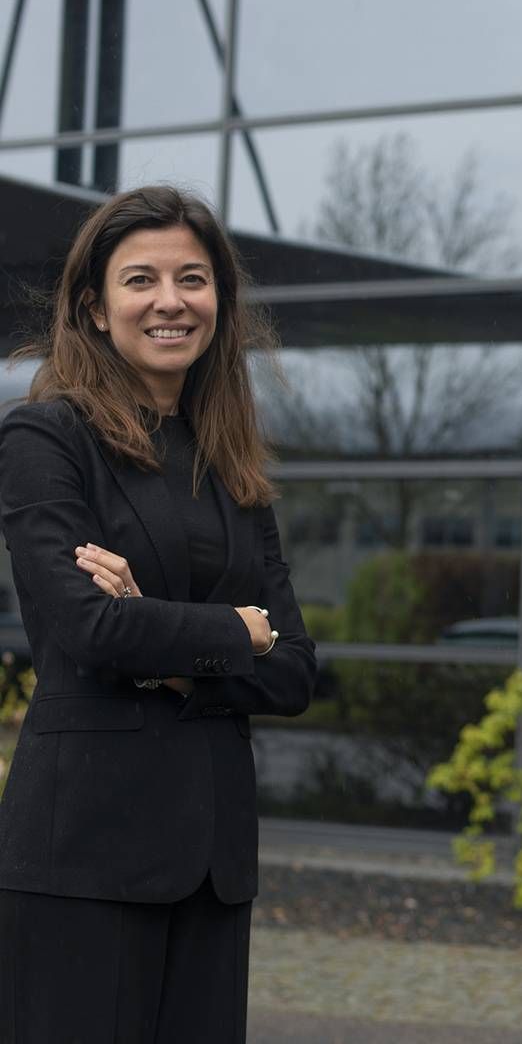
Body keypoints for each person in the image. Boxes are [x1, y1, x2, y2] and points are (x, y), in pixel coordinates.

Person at [0, 186, 316, 1042]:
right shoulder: (45, 439)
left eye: (193, 278)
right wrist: (233, 633)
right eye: (141, 279)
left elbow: (295, 671)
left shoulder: (230, 465)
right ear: (96, 309)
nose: (171, 300)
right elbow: (88, 631)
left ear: (220, 302)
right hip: (85, 858)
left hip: (214, 867)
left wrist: (164, 639)